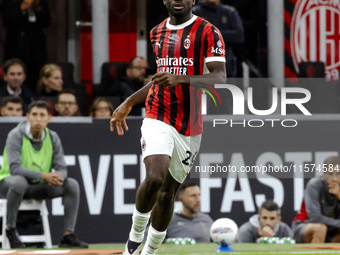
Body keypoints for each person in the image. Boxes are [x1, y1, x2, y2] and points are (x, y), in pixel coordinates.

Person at [110, 0, 226, 254]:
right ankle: (133, 239)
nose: (178, 0)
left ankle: (149, 252)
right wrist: (128, 102)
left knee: (167, 193)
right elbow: (160, 78)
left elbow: (219, 77)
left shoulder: (208, 31)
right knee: (154, 178)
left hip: (190, 124)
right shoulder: (156, 32)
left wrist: (180, 78)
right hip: (158, 113)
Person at [0, 100, 88, 249]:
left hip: (36, 187)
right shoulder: (15, 135)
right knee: (19, 182)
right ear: (28, 117)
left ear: (49, 118)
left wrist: (58, 177)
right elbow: (15, 169)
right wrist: (43, 175)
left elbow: (62, 168)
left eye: (42, 115)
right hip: (8, 185)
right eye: (34, 114)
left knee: (71, 184)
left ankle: (68, 235)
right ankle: (10, 229)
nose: (38, 119)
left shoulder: (53, 137)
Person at [3, 0, 51, 91]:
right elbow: (8, 21)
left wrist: (38, 8)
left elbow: (46, 22)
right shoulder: (10, 2)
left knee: (35, 79)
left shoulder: (41, 1)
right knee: (16, 76)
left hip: (36, 50)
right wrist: (22, 8)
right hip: (16, 48)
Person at [292, 156, 340, 243]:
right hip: (305, 226)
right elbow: (315, 218)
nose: (334, 178)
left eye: (338, 173)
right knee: (320, 228)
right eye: (330, 173)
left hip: (332, 229)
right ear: (324, 174)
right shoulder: (314, 185)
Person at [192, 0, 244, 77]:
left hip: (226, 66)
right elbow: (191, 35)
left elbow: (239, 36)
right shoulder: (194, 12)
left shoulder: (229, 12)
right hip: (200, 66)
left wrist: (210, 33)